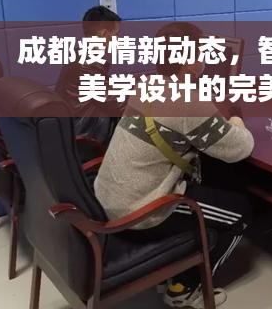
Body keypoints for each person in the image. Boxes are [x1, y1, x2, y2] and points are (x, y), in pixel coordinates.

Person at [94, 22, 255, 308]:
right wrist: (235, 119)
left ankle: (178, 268)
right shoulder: (187, 102)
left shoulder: (147, 84)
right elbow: (241, 148)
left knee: (211, 180)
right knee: (240, 213)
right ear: (189, 61)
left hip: (109, 198)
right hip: (140, 211)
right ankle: (187, 289)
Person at [55, 5, 124, 148]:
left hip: (77, 127)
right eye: (116, 35)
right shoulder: (87, 65)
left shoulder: (79, 55)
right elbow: (116, 104)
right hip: (87, 136)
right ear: (104, 34)